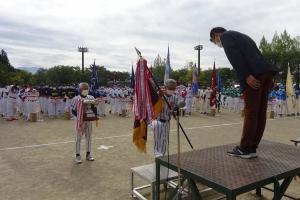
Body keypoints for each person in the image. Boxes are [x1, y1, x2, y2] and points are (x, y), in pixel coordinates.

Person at [210, 27, 277, 158]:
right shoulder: (244, 36)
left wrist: (246, 75)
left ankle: (245, 148)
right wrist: (268, 77)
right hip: (265, 72)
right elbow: (259, 55)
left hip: (253, 74)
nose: (218, 44)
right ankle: (252, 147)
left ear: (217, 35)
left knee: (251, 112)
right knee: (260, 113)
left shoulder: (226, 36)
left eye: (214, 41)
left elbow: (235, 57)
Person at [71, 82, 98, 164]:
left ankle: (88, 154)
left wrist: (94, 113)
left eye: (87, 89)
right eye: (84, 89)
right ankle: (77, 155)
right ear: (80, 90)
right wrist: (81, 117)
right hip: (80, 121)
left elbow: (94, 108)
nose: (85, 90)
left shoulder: (91, 97)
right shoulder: (76, 98)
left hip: (89, 121)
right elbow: (73, 110)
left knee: (89, 137)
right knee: (78, 138)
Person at [152, 79, 178, 157]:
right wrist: (159, 97)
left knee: (165, 139)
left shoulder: (174, 98)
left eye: (173, 88)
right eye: (170, 88)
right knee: (158, 138)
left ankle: (162, 155)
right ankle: (157, 154)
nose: (171, 90)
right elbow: (153, 106)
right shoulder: (159, 95)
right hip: (158, 120)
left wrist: (174, 112)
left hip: (167, 121)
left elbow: (174, 109)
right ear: (165, 87)